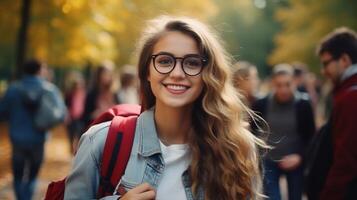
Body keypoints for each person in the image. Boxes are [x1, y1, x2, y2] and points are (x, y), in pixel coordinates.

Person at [64, 15, 266, 200]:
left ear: (208, 75)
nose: (177, 73)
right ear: (147, 72)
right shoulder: (100, 141)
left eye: (192, 63)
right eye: (164, 61)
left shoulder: (238, 149)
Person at [0, 59, 66, 200]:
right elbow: (62, 114)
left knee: (17, 175)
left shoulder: (13, 89)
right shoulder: (49, 89)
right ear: (39, 70)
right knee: (32, 175)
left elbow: (2, 112)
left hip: (17, 139)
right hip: (38, 138)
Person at [252, 64, 315, 200]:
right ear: (272, 84)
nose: (283, 89)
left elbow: (311, 137)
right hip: (268, 161)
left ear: (294, 82)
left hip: (295, 161)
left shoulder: (303, 105)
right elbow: (253, 132)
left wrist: (300, 156)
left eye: (287, 84)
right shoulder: (262, 103)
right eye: (279, 85)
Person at [315, 27, 357, 200]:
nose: (323, 71)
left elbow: (346, 160)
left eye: (326, 63)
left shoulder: (351, 97)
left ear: (345, 60)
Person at [82, 62, 119, 129]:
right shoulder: (92, 94)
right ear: (99, 75)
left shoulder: (115, 94)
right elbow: (84, 117)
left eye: (110, 74)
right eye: (105, 73)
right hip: (95, 129)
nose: (108, 76)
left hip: (112, 129)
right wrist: (94, 114)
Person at [64, 71, 86, 154]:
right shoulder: (69, 95)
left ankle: (77, 149)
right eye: (77, 85)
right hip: (71, 118)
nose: (78, 86)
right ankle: (71, 148)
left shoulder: (85, 94)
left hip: (80, 118)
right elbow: (65, 106)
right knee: (71, 134)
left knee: (79, 134)